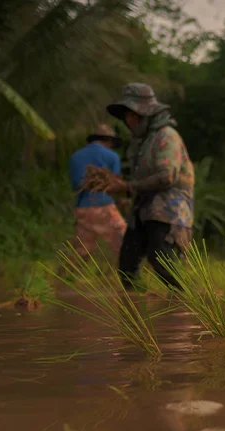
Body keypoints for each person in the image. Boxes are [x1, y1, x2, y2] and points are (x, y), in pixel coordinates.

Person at [95, 83, 195, 290]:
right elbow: (139, 181)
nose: (128, 120)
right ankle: (140, 312)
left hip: (169, 210)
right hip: (143, 208)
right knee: (127, 264)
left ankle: (187, 304)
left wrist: (128, 187)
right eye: (126, 116)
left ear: (146, 114)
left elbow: (166, 177)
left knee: (161, 257)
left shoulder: (166, 136)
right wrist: (122, 190)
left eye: (133, 115)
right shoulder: (141, 143)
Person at [67, 124, 127, 258]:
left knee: (81, 251)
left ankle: (66, 277)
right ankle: (132, 276)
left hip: (82, 207)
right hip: (104, 206)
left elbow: (76, 184)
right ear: (109, 140)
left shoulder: (75, 156)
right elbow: (115, 184)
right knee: (124, 244)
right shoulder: (112, 156)